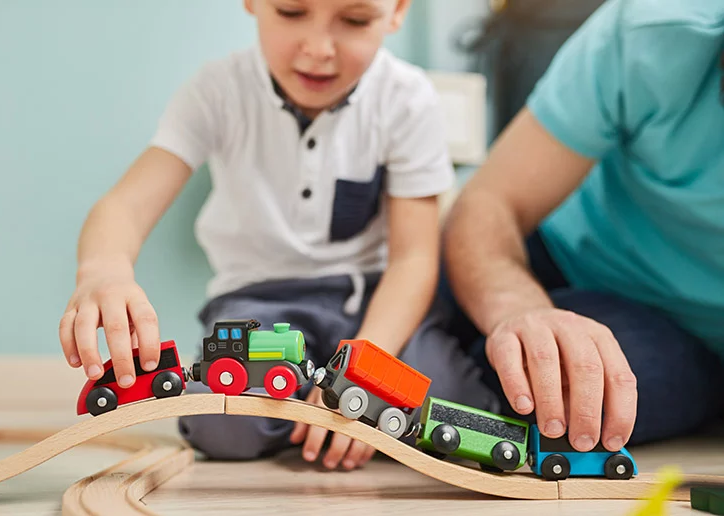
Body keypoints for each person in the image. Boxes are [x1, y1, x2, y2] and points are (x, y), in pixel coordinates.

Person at [59, 0, 500, 471]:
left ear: (395, 13)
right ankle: (311, 409)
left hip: (376, 304)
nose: (318, 49)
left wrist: (367, 370)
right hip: (260, 302)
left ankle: (316, 408)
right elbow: (126, 205)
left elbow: (414, 260)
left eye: (354, 21)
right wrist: (102, 271)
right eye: (291, 12)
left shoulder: (408, 99)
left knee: (457, 410)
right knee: (221, 424)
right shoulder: (216, 90)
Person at [441, 0, 724, 457]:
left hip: (680, 336)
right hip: (554, 250)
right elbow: (490, 202)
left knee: (569, 401)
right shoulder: (650, 29)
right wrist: (517, 312)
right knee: (393, 291)